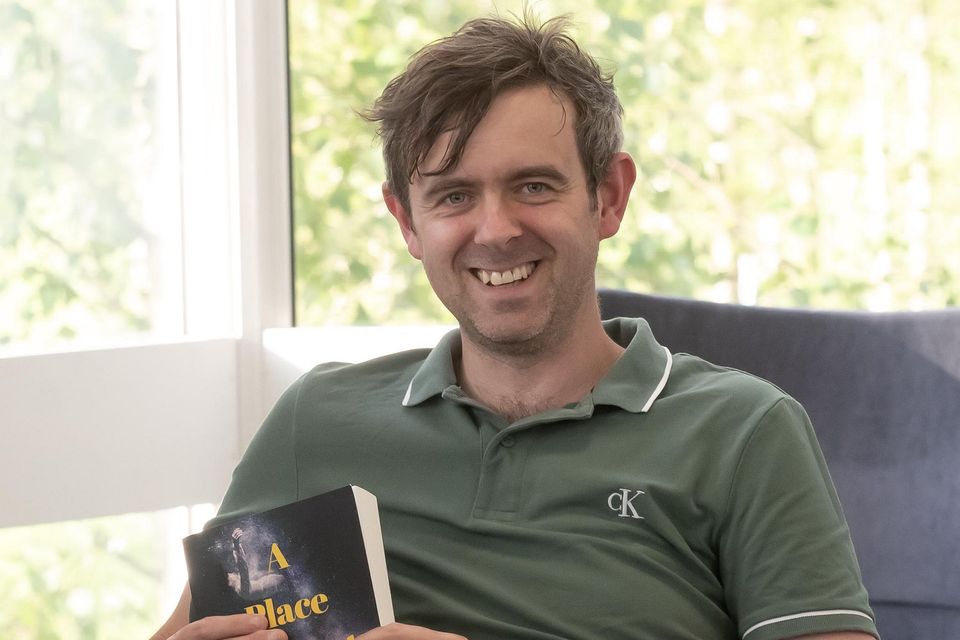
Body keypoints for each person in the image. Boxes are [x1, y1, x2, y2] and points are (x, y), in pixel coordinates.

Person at [153, 13, 879, 640]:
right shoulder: (316, 421)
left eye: (533, 186)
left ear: (608, 198)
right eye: (453, 195)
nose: (495, 230)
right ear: (407, 221)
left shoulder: (744, 433)